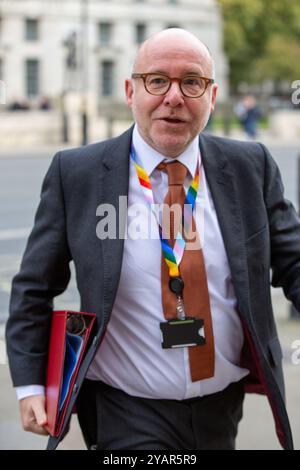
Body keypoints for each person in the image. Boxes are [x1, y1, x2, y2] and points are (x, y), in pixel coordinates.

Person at [6, 28, 298, 451]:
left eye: (192, 82)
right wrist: (31, 383)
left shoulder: (250, 167)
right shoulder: (78, 173)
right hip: (123, 409)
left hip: (222, 407)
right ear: (130, 91)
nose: (174, 97)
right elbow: (34, 285)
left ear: (212, 97)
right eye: (157, 80)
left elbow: (293, 262)